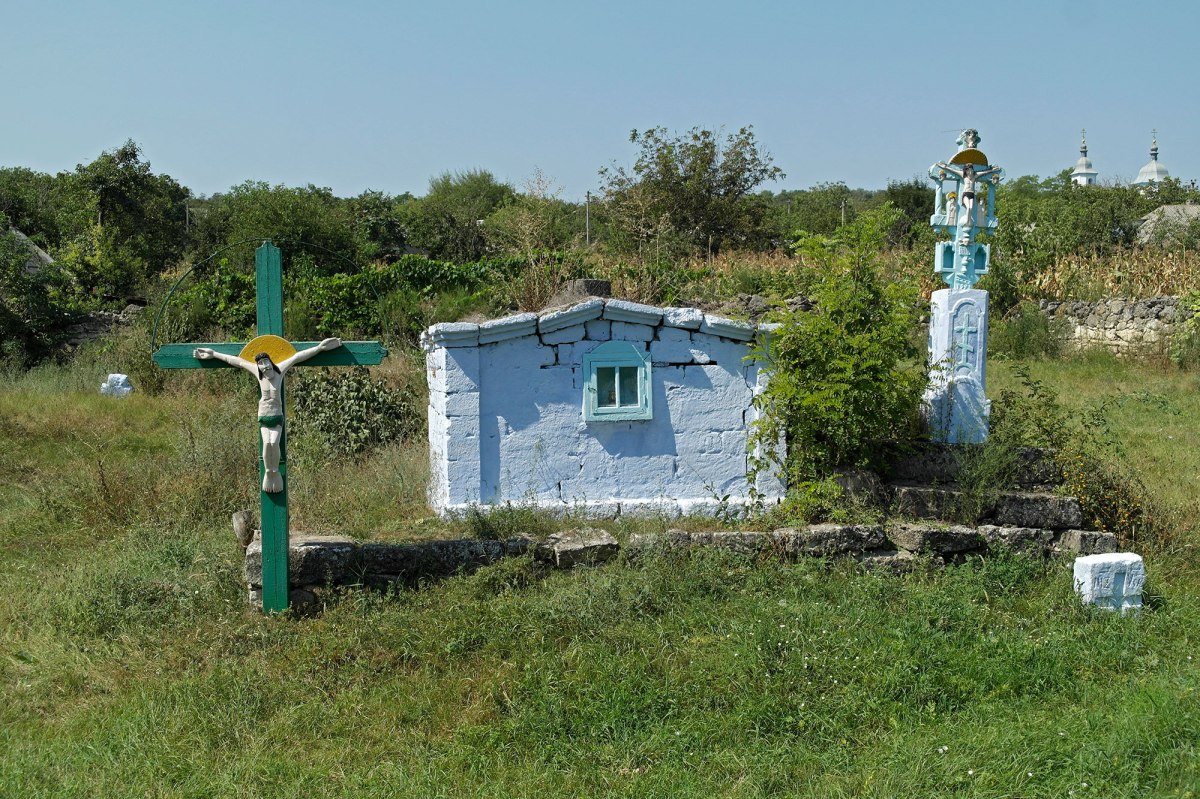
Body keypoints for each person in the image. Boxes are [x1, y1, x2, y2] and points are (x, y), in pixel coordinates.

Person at [193, 338, 342, 492]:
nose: (264, 367)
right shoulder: (259, 376)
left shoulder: (280, 370)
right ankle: (268, 472)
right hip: (264, 415)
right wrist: (214, 354)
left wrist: (319, 348)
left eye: (266, 362)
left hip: (277, 415)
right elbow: (236, 361)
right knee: (266, 444)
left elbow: (298, 357)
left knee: (274, 443)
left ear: (270, 361)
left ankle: (275, 471)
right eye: (261, 364)